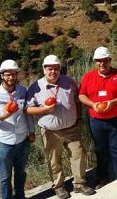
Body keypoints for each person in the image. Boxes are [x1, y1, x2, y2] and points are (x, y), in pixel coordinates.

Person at [26, 55, 94, 198]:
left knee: (78, 155)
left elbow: (77, 101)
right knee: (54, 160)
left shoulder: (69, 81)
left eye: (56, 69)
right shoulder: (36, 87)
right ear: (44, 70)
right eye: (50, 69)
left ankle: (80, 184)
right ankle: (58, 187)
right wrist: (45, 110)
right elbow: (28, 109)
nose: (53, 72)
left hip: (72, 127)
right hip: (51, 131)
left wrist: (79, 117)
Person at [78, 47, 117, 192]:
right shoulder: (88, 77)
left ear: (110, 60)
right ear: (95, 62)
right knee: (100, 150)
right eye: (99, 61)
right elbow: (81, 95)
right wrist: (92, 104)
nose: (102, 63)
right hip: (96, 120)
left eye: (105, 60)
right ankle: (103, 177)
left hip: (116, 119)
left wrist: (113, 102)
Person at [0, 60, 35, 199]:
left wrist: (31, 131)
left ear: (16, 74)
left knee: (21, 172)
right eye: (7, 75)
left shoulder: (22, 91)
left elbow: (26, 112)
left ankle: (20, 196)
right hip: (4, 142)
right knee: (5, 177)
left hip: (22, 139)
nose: (11, 78)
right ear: (2, 75)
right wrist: (2, 116)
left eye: (13, 74)